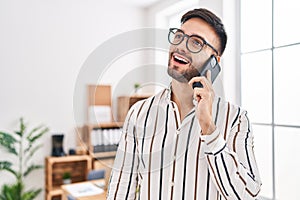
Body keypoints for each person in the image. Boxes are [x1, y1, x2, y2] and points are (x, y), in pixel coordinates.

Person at [107, 8, 262, 200]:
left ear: (214, 61)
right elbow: (121, 189)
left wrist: (209, 130)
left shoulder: (235, 119)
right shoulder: (139, 113)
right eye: (179, 36)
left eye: (196, 42)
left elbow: (248, 194)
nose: (181, 46)